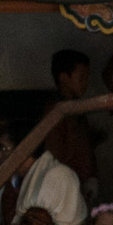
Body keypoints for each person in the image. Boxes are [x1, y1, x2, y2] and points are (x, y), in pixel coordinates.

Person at [45, 49, 100, 202]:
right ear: (63, 77)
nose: (86, 83)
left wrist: (91, 176)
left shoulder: (77, 110)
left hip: (79, 184)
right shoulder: (56, 112)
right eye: (81, 77)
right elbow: (55, 153)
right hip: (66, 186)